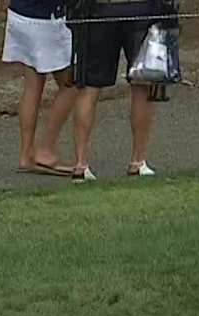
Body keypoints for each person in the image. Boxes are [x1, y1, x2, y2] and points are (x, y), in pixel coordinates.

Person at [67, 0, 169, 181]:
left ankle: (81, 164)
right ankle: (138, 161)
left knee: (90, 87)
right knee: (142, 85)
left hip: (102, 10)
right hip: (140, 10)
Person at [2, 0, 76, 175]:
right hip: (43, 19)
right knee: (72, 84)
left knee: (33, 84)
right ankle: (46, 150)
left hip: (20, 14)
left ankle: (26, 154)